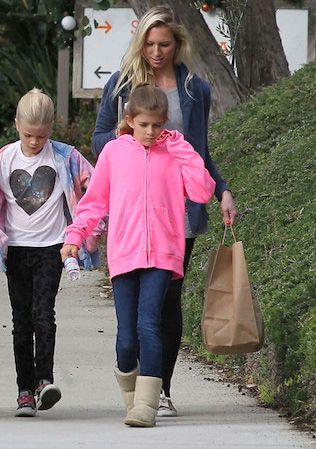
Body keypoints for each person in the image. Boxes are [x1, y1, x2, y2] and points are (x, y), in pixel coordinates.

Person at [91, 5, 238, 416]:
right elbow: (99, 138)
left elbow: (199, 153)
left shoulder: (195, 90)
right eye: (150, 44)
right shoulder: (122, 86)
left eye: (165, 45)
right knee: (138, 316)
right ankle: (139, 383)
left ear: (178, 44)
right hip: (132, 216)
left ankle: (161, 390)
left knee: (166, 303)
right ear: (142, 43)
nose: (156, 52)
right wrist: (125, 141)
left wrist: (221, 189)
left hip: (179, 212)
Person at [62, 84, 215, 427]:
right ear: (130, 121)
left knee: (149, 326)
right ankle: (133, 401)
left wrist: (181, 147)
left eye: (157, 126)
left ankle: (147, 406)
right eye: (144, 124)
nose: (150, 132)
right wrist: (74, 237)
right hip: (125, 254)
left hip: (163, 255)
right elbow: (94, 203)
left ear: (164, 124)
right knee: (126, 338)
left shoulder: (175, 151)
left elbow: (203, 191)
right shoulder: (115, 153)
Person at [0, 88, 99, 417]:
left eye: (41, 136)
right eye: (28, 134)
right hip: (14, 250)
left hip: (52, 249)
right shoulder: (1, 161)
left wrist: (90, 231)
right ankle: (24, 391)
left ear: (51, 128)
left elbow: (97, 187)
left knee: (44, 315)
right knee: (20, 320)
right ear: (16, 125)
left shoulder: (65, 158)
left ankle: (44, 381)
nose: (34, 142)